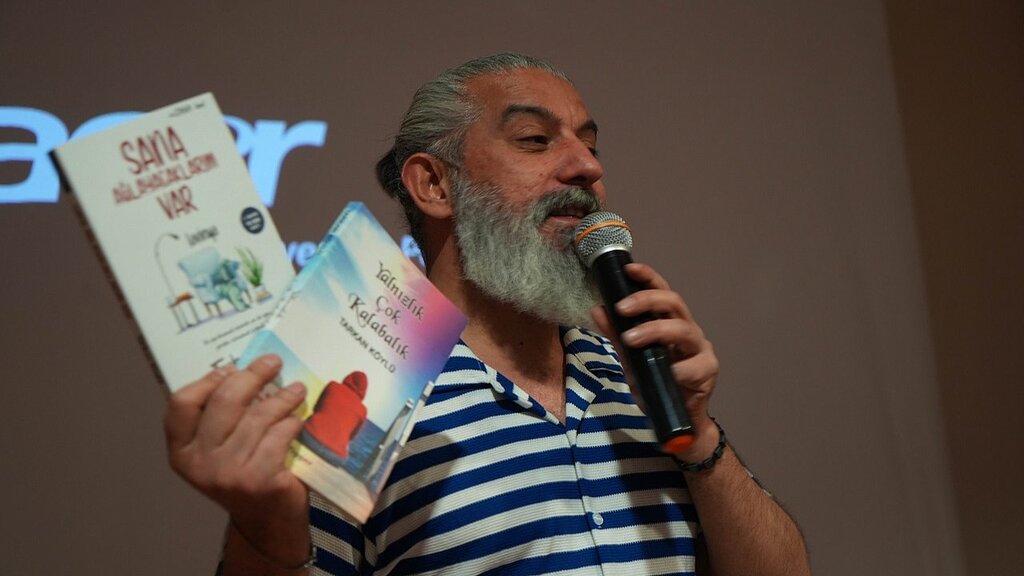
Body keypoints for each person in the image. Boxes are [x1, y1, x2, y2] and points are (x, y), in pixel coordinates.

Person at [165, 53, 811, 576]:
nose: (588, 167)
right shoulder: (369, 381)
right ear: (434, 185)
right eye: (535, 140)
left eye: (590, 145)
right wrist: (263, 527)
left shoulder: (631, 368)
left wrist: (698, 437)